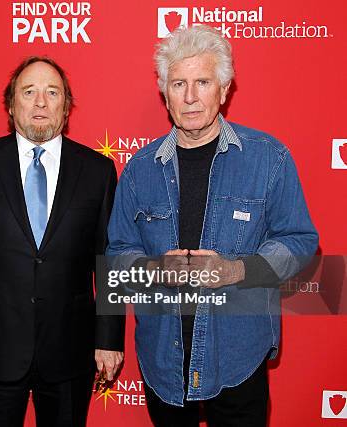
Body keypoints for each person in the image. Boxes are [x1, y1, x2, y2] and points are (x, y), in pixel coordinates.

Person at [106, 25, 318, 426]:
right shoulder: (138, 171)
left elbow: (301, 241)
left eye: (202, 82)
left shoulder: (268, 159)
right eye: (179, 83)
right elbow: (117, 255)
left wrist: (237, 269)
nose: (190, 97)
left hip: (238, 355)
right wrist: (152, 271)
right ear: (164, 93)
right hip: (163, 360)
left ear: (223, 90)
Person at [0, 56, 125, 427]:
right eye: (29, 92)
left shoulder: (97, 171)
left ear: (66, 106)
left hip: (70, 350)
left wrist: (110, 338)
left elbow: (110, 260)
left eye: (52, 93)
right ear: (10, 103)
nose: (40, 102)